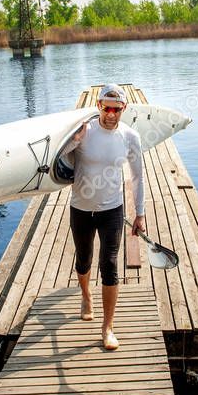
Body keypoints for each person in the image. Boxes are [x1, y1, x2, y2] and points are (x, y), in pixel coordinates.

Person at [59, 84, 146, 350]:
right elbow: (57, 162)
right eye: (106, 108)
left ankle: (107, 327)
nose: (110, 114)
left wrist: (139, 213)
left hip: (112, 209)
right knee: (83, 259)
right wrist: (73, 142)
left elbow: (137, 176)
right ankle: (86, 295)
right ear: (99, 106)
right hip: (81, 207)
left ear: (124, 109)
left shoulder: (130, 137)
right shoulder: (84, 131)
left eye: (116, 109)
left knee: (109, 263)